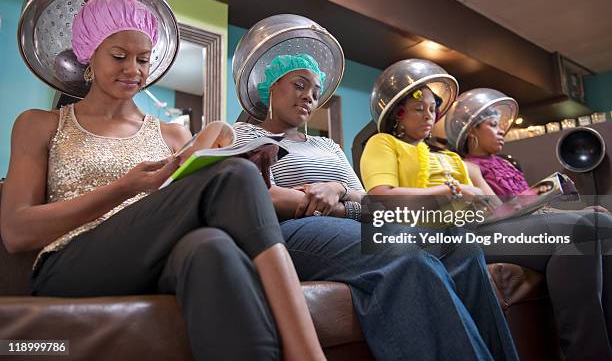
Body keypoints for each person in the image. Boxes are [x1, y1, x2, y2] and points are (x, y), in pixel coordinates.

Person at [0, 0, 325, 361]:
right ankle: (307, 354)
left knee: (210, 246)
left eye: (143, 59)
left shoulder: (171, 135)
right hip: (69, 265)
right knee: (233, 173)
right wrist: (124, 188)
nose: (133, 69)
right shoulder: (40, 124)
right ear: (90, 53)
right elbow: (15, 232)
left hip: (153, 260)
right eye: (119, 56)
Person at [233, 51, 519, 360]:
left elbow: (368, 200)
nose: (309, 97)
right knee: (405, 255)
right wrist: (334, 204)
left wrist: (336, 188)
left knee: (462, 245)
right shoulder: (245, 134)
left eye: (315, 93)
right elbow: (263, 196)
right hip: (294, 229)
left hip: (351, 220)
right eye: (299, 85)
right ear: (271, 86)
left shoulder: (326, 145)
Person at [362, 70, 611, 360]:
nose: (429, 115)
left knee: (600, 226)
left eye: (433, 109)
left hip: (482, 226)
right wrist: (448, 191)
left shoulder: (452, 158)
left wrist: (552, 202)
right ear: (398, 115)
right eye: (420, 109)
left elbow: (495, 207)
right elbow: (380, 197)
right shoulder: (383, 144)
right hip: (443, 235)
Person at [445, 88, 612, 360]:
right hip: (493, 228)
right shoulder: (468, 167)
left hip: (522, 223)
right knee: (583, 233)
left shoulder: (508, 165)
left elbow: (534, 206)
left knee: (604, 223)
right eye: (492, 125)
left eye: (501, 126)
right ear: (471, 131)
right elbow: (498, 211)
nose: (501, 131)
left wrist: (579, 210)